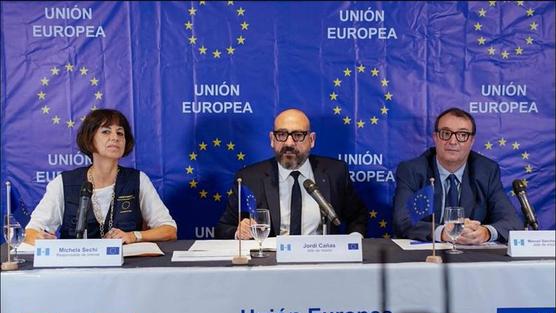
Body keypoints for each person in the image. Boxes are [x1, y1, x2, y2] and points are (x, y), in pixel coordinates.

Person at [24, 109, 177, 244]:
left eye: (120, 133)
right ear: (90, 139)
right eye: (106, 132)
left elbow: (169, 230)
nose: (115, 137)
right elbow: (31, 232)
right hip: (76, 270)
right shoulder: (63, 182)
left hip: (127, 269)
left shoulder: (137, 179)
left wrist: (134, 236)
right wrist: (40, 239)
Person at [215, 108, 368, 239]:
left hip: (321, 262)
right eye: (281, 135)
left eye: (298, 135)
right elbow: (223, 228)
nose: (289, 143)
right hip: (270, 265)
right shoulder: (249, 177)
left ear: (312, 140)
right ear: (272, 140)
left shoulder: (335, 172)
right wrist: (238, 232)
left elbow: (357, 216)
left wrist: (353, 240)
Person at [393, 107, 521, 244]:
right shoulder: (412, 170)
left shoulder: (486, 171)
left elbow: (512, 222)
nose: (453, 141)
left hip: (472, 259)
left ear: (472, 141)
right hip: (426, 259)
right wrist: (442, 233)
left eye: (462, 135)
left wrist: (486, 232)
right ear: (435, 137)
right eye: (446, 133)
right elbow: (402, 220)